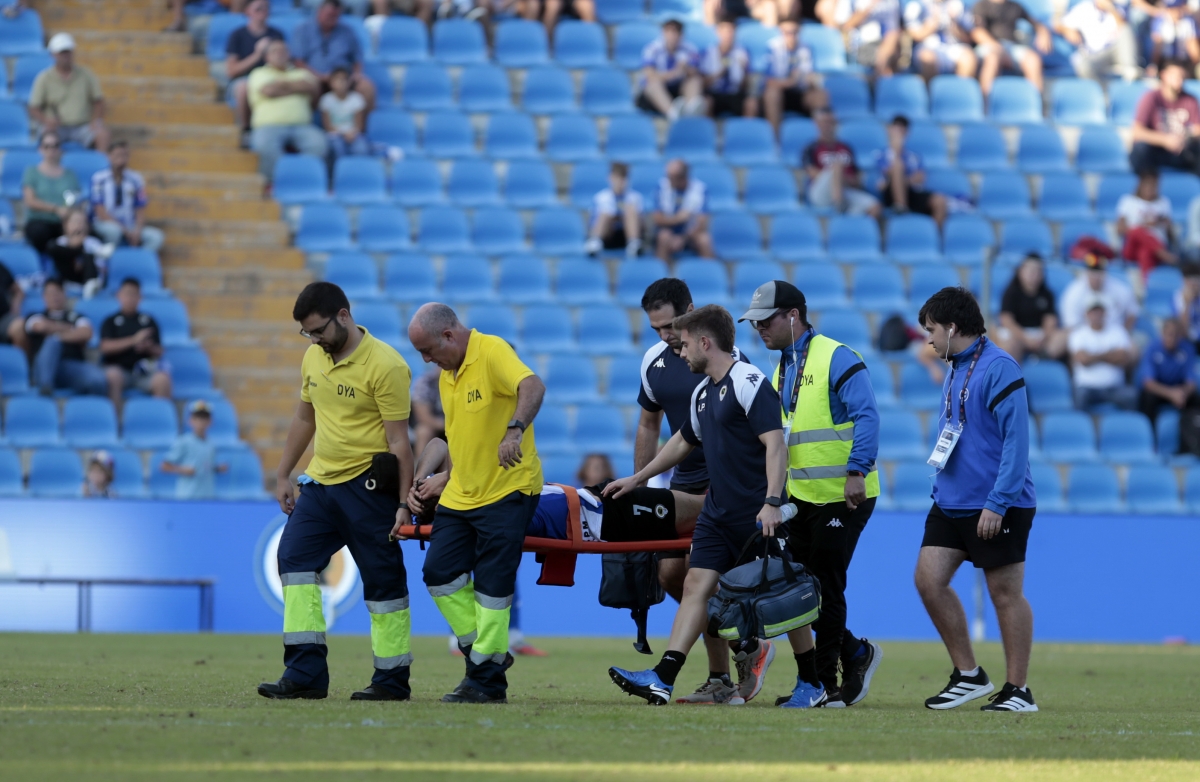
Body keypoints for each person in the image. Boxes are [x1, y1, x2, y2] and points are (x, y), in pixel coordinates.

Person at [605, 305, 826, 710]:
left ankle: (812, 681)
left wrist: (773, 502)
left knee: (784, 595)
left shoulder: (749, 381)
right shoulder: (704, 392)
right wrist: (638, 478)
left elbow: (775, 445)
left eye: (686, 344)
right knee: (694, 586)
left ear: (706, 342)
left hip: (756, 514)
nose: (681, 351)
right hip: (717, 514)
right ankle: (664, 677)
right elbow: (681, 443)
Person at [259, 281, 415, 701]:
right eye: (307, 333)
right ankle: (306, 672)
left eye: (319, 330)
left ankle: (391, 680)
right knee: (293, 558)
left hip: (369, 488)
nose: (314, 340)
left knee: (384, 582)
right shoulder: (314, 357)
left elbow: (400, 443)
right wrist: (283, 473)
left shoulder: (387, 365)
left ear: (343, 316)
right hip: (321, 485)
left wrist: (403, 504)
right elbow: (304, 417)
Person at [742, 280, 883, 708]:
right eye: (755, 324)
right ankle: (855, 653)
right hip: (804, 497)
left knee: (824, 586)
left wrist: (857, 471)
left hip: (845, 495)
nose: (759, 330)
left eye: (766, 321)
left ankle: (826, 685)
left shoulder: (837, 357)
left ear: (793, 316)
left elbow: (868, 417)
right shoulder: (783, 365)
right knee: (802, 586)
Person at [407, 302, 546, 704]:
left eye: (428, 350)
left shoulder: (492, 351)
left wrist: (515, 430)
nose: (426, 360)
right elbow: (464, 443)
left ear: (449, 335)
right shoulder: (448, 375)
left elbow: (533, 386)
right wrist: (441, 480)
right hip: (461, 492)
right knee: (439, 573)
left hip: (508, 489)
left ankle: (485, 682)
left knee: (492, 586)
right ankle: (491, 658)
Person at [634, 279, 763, 706]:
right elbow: (650, 426)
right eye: (656, 329)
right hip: (681, 480)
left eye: (671, 326)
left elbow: (764, 435)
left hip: (723, 485)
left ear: (690, 315)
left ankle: (723, 672)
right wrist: (642, 486)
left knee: (700, 577)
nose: (665, 337)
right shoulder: (653, 362)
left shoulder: (728, 364)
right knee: (674, 577)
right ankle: (740, 654)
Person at [914, 286, 1038, 712]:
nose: (927, 339)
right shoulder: (955, 366)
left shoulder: (1001, 367)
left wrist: (999, 501)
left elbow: (1016, 444)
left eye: (931, 330)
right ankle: (969, 675)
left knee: (1004, 594)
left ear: (952, 327)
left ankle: (1019, 690)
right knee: (928, 581)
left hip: (996, 502)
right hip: (951, 500)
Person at [409, 438, 703, 545]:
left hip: (598, 499)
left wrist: (418, 480)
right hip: (605, 517)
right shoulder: (484, 510)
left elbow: (438, 444)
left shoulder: (471, 490)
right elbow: (487, 466)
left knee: (709, 511)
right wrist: (448, 478)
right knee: (707, 511)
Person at [248, 40, 328, 181]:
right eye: (275, 51)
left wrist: (281, 84)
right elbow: (269, 91)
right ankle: (276, 183)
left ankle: (304, 181)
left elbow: (312, 87)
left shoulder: (301, 72)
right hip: (268, 125)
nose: (280, 54)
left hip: (302, 126)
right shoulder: (259, 73)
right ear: (267, 57)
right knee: (264, 146)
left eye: (283, 51)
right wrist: (296, 87)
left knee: (319, 144)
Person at [24, 278, 107, 397]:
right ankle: (45, 388)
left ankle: (92, 411)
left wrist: (56, 334)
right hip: (42, 366)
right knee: (52, 342)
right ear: (44, 296)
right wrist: (70, 329)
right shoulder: (36, 315)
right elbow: (40, 327)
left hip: (69, 367)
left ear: (64, 294)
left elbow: (86, 333)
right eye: (50, 293)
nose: (54, 297)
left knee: (97, 379)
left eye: (58, 292)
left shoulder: (76, 316)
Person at [99, 278, 172, 411]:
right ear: (119, 295)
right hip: (120, 370)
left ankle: (160, 423)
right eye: (127, 293)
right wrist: (133, 340)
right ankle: (114, 423)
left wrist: (148, 348)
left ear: (140, 297)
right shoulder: (111, 321)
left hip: (144, 372)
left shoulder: (148, 321)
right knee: (112, 376)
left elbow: (160, 351)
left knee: (163, 379)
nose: (130, 298)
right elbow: (105, 347)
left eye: (134, 294)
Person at [27, 33, 109, 152]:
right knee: (47, 137)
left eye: (68, 52)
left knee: (103, 135)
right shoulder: (44, 78)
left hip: (83, 125)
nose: (65, 56)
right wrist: (46, 120)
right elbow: (34, 107)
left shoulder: (86, 74)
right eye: (62, 52)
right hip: (57, 127)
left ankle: (102, 167)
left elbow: (99, 101)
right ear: (53, 55)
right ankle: (48, 167)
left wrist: (96, 121)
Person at [294, 0, 378, 110]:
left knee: (367, 88)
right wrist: (319, 76)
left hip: (343, 78)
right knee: (307, 86)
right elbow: (298, 62)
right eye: (329, 14)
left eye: (336, 15)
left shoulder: (347, 31)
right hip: (314, 77)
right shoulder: (303, 30)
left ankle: (362, 125)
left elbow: (357, 58)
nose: (332, 18)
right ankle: (310, 124)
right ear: (320, 11)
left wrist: (356, 74)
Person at [225, 0, 285, 143]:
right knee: (243, 87)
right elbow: (232, 71)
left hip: (271, 77)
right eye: (258, 9)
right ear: (248, 11)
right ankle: (246, 129)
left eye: (266, 8)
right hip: (246, 78)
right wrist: (257, 55)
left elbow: (284, 62)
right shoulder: (237, 35)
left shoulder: (276, 34)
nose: (263, 11)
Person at [89, 141, 165, 255]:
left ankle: (138, 260)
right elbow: (100, 211)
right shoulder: (99, 179)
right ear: (109, 156)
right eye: (117, 155)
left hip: (130, 225)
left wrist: (137, 230)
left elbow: (140, 209)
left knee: (156, 237)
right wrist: (124, 230)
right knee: (113, 232)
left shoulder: (136, 179)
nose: (121, 159)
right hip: (105, 224)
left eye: (124, 155)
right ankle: (109, 261)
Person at [802, 108, 881, 217]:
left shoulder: (845, 148)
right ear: (817, 124)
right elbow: (812, 172)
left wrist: (842, 180)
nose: (828, 126)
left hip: (845, 189)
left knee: (874, 206)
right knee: (837, 165)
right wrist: (837, 177)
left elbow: (855, 177)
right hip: (821, 192)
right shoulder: (811, 148)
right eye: (825, 122)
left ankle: (854, 226)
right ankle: (839, 206)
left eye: (831, 122)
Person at [873, 115, 948, 227]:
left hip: (911, 192)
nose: (899, 134)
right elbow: (888, 173)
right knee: (897, 167)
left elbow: (920, 177)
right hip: (890, 194)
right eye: (896, 129)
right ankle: (901, 208)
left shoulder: (914, 156)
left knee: (940, 201)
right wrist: (897, 152)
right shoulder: (881, 154)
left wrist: (901, 181)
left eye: (902, 130)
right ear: (889, 130)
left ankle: (933, 238)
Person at [1130, 60, 1200, 176]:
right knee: (1140, 149)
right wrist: (1165, 140)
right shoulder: (1150, 98)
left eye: (1182, 76)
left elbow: (1197, 129)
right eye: (1176, 76)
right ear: (1164, 75)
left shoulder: (1190, 100)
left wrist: (1185, 137)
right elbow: (1137, 132)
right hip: (1156, 151)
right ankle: (1145, 189)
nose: (1180, 80)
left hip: (1181, 151)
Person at [995, 254, 1068, 362]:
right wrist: (1025, 339)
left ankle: (1041, 357)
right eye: (1031, 271)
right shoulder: (1011, 293)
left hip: (1039, 335)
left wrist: (1044, 337)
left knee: (1065, 335)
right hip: (1018, 334)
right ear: (1021, 271)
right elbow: (1006, 320)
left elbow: (1050, 320)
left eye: (1038, 271)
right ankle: (1013, 373)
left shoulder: (1047, 294)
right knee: (1008, 343)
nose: (1034, 275)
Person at [970, 0, 1052, 96]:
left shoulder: (1015, 6)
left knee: (1033, 59)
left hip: (1011, 47)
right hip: (988, 46)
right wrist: (997, 47)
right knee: (993, 58)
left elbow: (1036, 23)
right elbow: (977, 32)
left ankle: (1035, 102)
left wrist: (1043, 32)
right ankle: (984, 102)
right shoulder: (981, 5)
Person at [1070, 298, 1137, 410]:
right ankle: (1079, 427)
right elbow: (1083, 360)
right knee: (1080, 396)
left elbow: (1123, 358)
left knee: (1131, 395)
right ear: (1087, 313)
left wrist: (1093, 355)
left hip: (1114, 388)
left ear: (1105, 313)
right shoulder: (1078, 334)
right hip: (1087, 388)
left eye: (1099, 311)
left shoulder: (1118, 331)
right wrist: (1110, 354)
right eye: (1093, 311)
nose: (1096, 315)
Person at [763, 20, 827, 136]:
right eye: (787, 33)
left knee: (820, 95)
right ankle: (775, 138)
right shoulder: (773, 47)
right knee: (772, 94)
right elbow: (769, 81)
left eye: (794, 32)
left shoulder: (807, 48)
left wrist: (811, 81)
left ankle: (821, 138)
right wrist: (791, 82)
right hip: (781, 93)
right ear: (781, 32)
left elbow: (811, 76)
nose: (791, 36)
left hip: (801, 93)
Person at [22, 131, 81, 253]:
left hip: (64, 222)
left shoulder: (70, 175)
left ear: (60, 149)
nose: (51, 150)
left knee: (84, 231)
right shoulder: (31, 172)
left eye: (55, 145)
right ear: (40, 149)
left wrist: (68, 212)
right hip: (40, 221)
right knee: (39, 233)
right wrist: (56, 209)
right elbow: (30, 201)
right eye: (47, 146)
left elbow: (75, 199)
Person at [1055, 0, 1138, 83]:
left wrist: (1111, 9)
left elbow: (1124, 29)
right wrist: (1068, 30)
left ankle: (1131, 71)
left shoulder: (1118, 7)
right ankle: (1100, 92)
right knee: (1084, 66)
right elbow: (1057, 24)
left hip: (1117, 51)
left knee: (1126, 30)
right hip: (1096, 55)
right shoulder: (1084, 8)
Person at [1116, 169, 1178, 279]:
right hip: (1132, 248)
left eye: (1154, 185)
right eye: (1148, 184)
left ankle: (1148, 287)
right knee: (1137, 230)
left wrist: (1161, 223)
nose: (1151, 188)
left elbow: (1170, 233)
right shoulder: (1128, 201)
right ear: (1140, 185)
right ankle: (1163, 254)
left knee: (1144, 253)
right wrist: (1145, 226)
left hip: (1155, 249)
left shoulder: (1164, 202)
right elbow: (1120, 230)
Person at [160, 400, 229, 500]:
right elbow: (164, 466)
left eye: (204, 418)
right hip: (187, 497)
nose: (201, 421)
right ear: (190, 420)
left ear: (210, 421)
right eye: (197, 418)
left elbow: (206, 467)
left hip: (207, 497)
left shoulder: (211, 444)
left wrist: (218, 469)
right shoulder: (183, 441)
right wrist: (182, 469)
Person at [1138, 317, 1199, 428]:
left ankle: (1192, 437)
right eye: (1169, 334)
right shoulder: (1152, 348)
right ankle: (1150, 434)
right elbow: (1148, 382)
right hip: (1159, 390)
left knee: (1195, 399)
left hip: (1179, 389)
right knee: (1147, 397)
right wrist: (1171, 394)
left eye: (1176, 335)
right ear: (1162, 333)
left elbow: (1191, 382)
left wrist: (1182, 393)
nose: (1172, 339)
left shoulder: (1187, 349)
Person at [636, 19, 703, 119]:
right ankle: (673, 114)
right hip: (656, 95)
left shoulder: (690, 49)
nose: (672, 36)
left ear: (681, 35)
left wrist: (686, 69)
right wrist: (674, 72)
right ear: (663, 33)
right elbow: (650, 76)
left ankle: (691, 109)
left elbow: (694, 73)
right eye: (668, 31)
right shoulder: (652, 49)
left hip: (678, 93)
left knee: (695, 80)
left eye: (675, 32)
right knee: (652, 84)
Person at [816, 0, 902, 77]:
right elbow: (845, 25)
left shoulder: (891, 2)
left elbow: (893, 30)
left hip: (882, 46)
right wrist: (869, 6)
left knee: (890, 51)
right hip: (858, 47)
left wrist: (885, 52)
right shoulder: (849, 2)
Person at [652, 159, 713, 262]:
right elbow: (657, 219)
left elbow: (702, 222)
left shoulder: (699, 189)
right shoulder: (662, 186)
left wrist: (683, 239)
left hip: (690, 235)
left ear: (682, 178)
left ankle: (710, 274)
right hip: (669, 233)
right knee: (664, 236)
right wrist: (677, 219)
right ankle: (661, 276)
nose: (668, 179)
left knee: (704, 240)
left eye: (671, 177)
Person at [904, 0, 978, 81]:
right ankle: (930, 92)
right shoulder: (917, 4)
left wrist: (954, 26)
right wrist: (932, 24)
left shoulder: (956, 4)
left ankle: (959, 92)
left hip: (951, 47)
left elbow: (968, 38)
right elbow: (915, 35)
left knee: (968, 57)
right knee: (927, 58)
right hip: (926, 47)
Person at [585, 162, 644, 259]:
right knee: (605, 213)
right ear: (610, 177)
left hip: (626, 237)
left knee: (631, 210)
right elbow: (592, 224)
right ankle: (595, 243)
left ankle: (634, 244)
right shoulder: (601, 198)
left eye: (623, 178)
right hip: (608, 236)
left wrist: (625, 217)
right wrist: (613, 218)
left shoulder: (635, 197)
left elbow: (642, 225)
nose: (619, 181)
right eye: (617, 177)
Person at [699, 20, 757, 119]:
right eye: (725, 31)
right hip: (715, 94)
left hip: (735, 94)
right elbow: (702, 84)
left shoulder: (743, 53)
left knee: (751, 103)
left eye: (731, 31)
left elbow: (746, 87)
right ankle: (707, 132)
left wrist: (744, 71)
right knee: (706, 102)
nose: (728, 35)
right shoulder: (708, 52)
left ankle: (747, 132)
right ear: (718, 32)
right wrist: (719, 74)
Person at [44, 209, 108, 290]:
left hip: (87, 280)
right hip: (66, 281)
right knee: (53, 247)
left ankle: (90, 287)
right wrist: (75, 249)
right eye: (75, 222)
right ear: (65, 225)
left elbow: (101, 270)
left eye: (82, 222)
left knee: (89, 255)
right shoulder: (60, 242)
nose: (78, 226)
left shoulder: (93, 242)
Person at [320, 68, 371, 162]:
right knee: (337, 148)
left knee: (361, 149)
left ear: (349, 82)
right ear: (331, 83)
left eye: (344, 79)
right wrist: (343, 134)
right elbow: (328, 126)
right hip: (335, 135)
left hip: (353, 134)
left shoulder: (357, 99)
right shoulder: (326, 100)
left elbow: (359, 125)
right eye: (337, 79)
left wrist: (352, 133)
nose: (341, 83)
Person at [1149, 0, 1199, 76]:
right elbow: (1157, 46)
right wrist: (1154, 64)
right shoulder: (1160, 21)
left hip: (1184, 60)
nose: (1174, 11)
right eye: (1171, 8)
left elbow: (1193, 47)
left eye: (1177, 7)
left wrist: (1195, 64)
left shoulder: (1189, 21)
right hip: (1166, 60)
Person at [411, 364, 445, 455]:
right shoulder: (425, 382)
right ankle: (422, 467)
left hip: (456, 422)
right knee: (423, 431)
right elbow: (423, 417)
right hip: (435, 423)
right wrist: (445, 425)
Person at [0, 258, 25, 348]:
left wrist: (15, 306)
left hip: (3, 319)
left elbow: (18, 291)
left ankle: (25, 361)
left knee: (19, 326)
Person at [1175, 262, 1200, 347]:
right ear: (1184, 281)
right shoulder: (1177, 298)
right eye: (1190, 280)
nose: (1194, 284)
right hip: (1188, 340)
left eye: (1197, 280)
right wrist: (1187, 304)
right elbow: (1183, 330)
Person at [706, 0, 782, 26]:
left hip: (752, 7)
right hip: (728, 4)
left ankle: (768, 47)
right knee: (710, 5)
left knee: (770, 7)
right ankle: (712, 45)